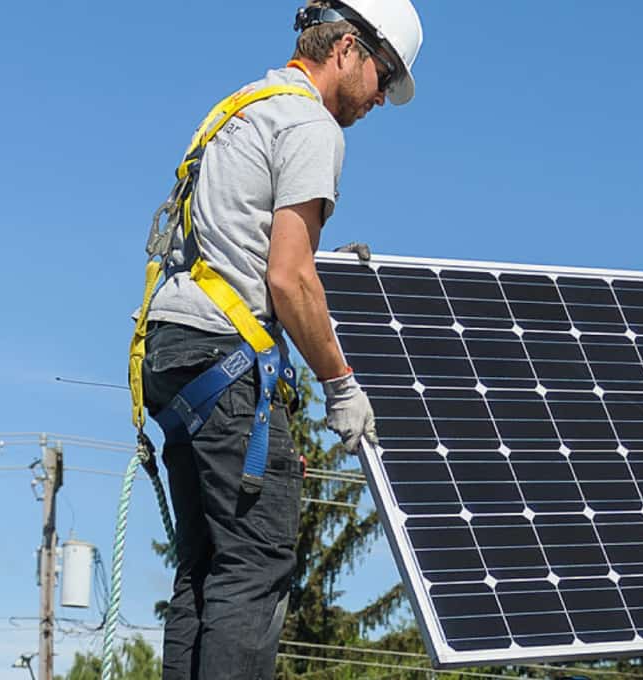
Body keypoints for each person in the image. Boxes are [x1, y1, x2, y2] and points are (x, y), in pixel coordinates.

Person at [130, 2, 422, 677]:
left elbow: (244, 239)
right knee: (257, 561)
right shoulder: (311, 125)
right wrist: (342, 385)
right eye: (382, 77)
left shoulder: (240, 108)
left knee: (206, 568)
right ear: (348, 48)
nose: (381, 98)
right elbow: (287, 278)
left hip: (174, 355)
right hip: (225, 362)